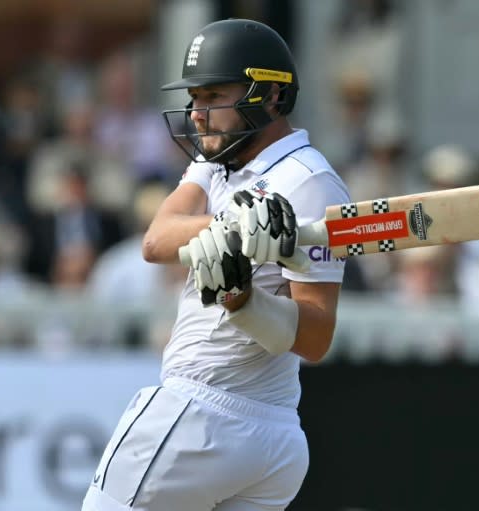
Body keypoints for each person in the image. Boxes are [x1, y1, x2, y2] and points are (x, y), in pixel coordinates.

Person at [82, 18, 350, 511]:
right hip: (266, 446)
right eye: (195, 99)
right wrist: (232, 226)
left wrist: (244, 302)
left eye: (213, 97)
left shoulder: (310, 181)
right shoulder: (216, 160)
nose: (198, 115)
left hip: (205, 411)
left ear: (271, 96)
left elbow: (316, 337)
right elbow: (157, 239)